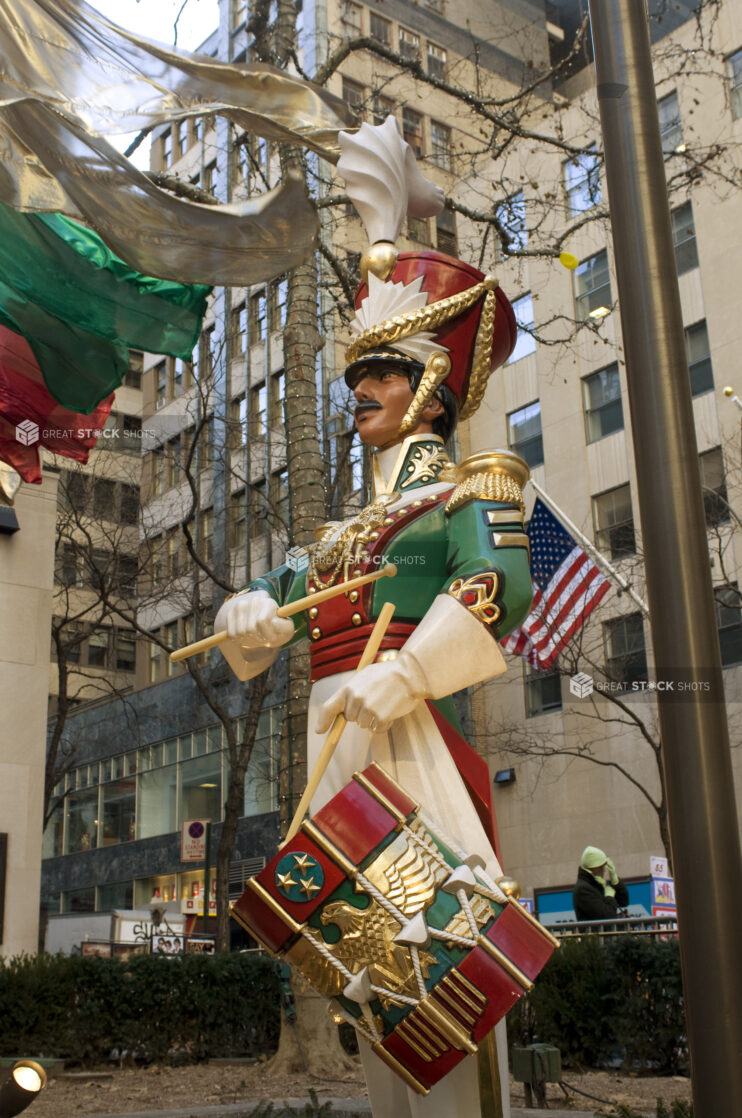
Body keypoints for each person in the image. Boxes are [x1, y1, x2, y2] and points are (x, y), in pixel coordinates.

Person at [215, 117, 533, 1118]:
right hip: (336, 754)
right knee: (369, 984)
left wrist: (404, 672)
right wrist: (251, 610)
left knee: (438, 963)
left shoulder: (462, 493)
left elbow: (497, 591)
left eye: (380, 377)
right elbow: (270, 611)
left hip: (406, 745)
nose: (360, 394)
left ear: (429, 390)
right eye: (356, 379)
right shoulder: (344, 529)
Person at [573, 845, 630, 921]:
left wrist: (615, 880)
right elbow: (607, 916)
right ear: (593, 867)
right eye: (601, 867)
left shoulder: (597, 883)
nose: (604, 870)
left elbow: (624, 901)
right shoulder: (583, 890)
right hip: (594, 932)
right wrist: (609, 897)